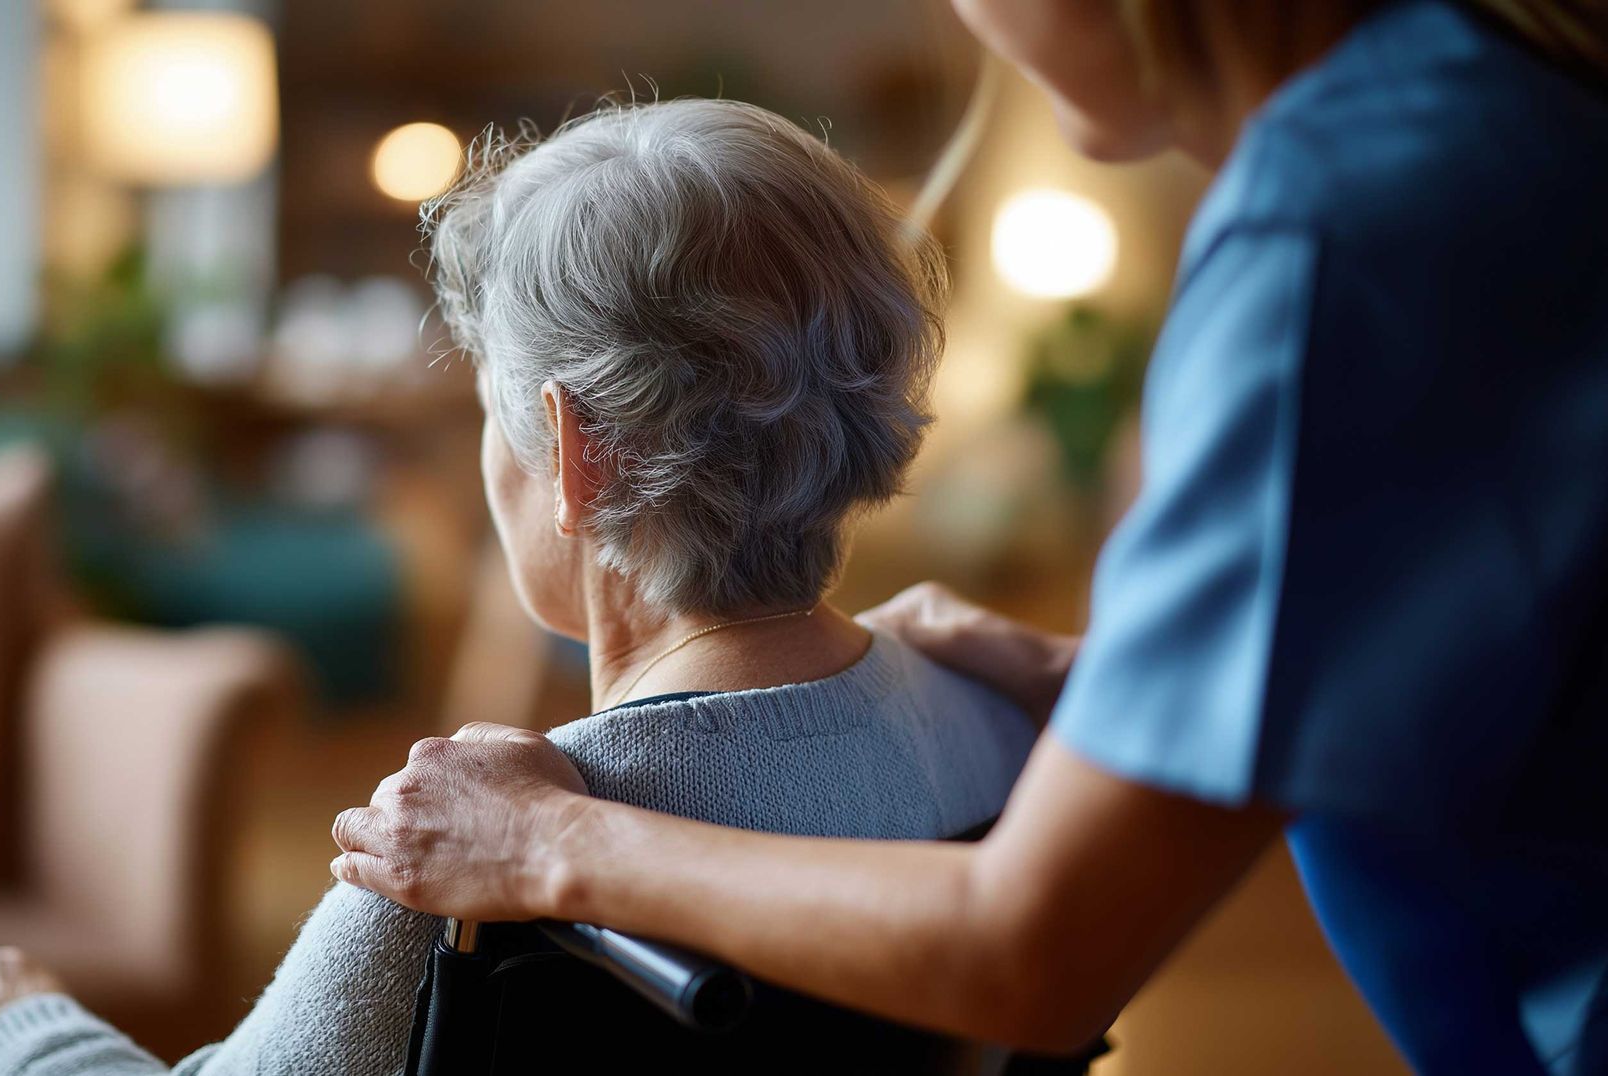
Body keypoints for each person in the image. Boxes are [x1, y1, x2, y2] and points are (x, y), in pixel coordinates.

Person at [326, 3, 1608, 1074]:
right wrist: (1114, 697)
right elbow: (1496, 657)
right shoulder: (1492, 120)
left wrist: (552, 842)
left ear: (574, 443)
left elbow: (1031, 955)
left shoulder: (1346, 235)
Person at [0, 99, 1043, 1076]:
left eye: (491, 404)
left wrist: (17, 1011)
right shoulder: (1003, 729)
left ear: (576, 448)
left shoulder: (459, 858)